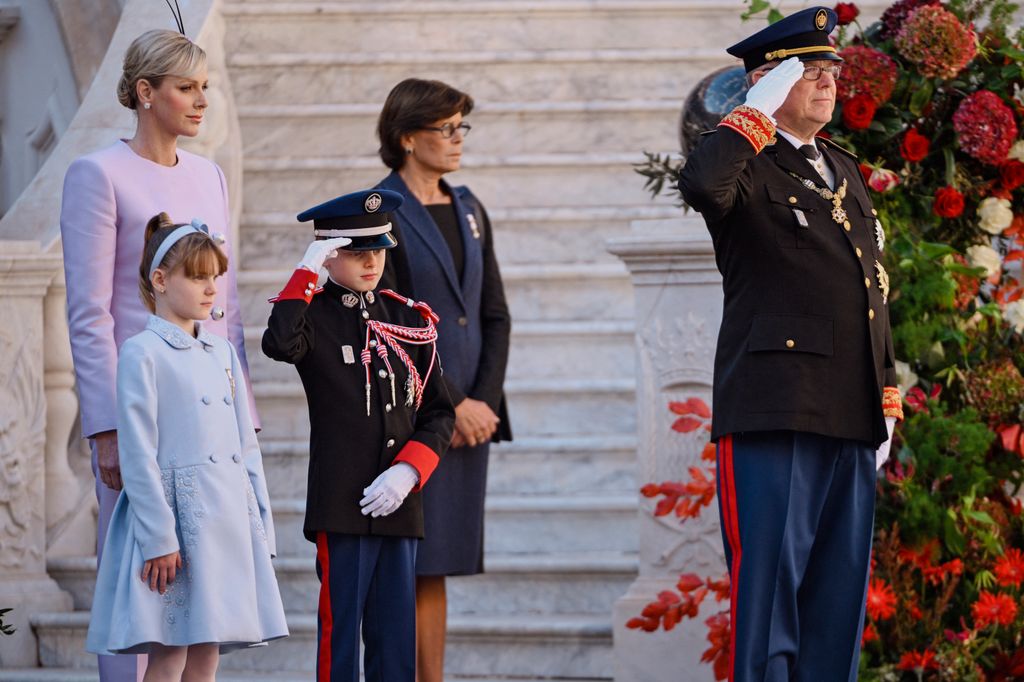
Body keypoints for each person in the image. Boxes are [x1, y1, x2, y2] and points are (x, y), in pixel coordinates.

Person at [677, 7, 903, 681]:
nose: (829, 82)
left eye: (832, 69)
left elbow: (872, 288)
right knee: (771, 599)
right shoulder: (746, 161)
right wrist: (752, 115)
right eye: (810, 71)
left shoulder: (841, 167)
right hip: (775, 408)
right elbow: (701, 185)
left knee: (836, 610)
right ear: (768, 83)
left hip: (851, 409)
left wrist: (886, 394)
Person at [59, 29, 254, 680]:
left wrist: (241, 409)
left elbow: (224, 303)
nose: (202, 101)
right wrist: (105, 427)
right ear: (146, 93)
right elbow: (89, 312)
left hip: (208, 410)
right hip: (138, 407)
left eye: (206, 87)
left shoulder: (209, 176)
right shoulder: (97, 174)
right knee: (139, 575)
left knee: (206, 588)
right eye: (185, 88)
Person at [261, 189, 455, 682]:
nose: (371, 261)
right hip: (342, 505)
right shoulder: (314, 315)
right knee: (339, 638)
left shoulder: (409, 318)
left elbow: (439, 413)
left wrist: (409, 473)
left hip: (398, 504)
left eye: (378, 249)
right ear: (329, 251)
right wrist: (307, 274)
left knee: (395, 644)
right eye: (355, 250)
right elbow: (279, 343)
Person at [85, 213, 287, 680]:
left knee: (207, 649)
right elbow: (138, 453)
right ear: (160, 279)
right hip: (176, 519)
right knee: (170, 650)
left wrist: (261, 526)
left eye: (215, 276)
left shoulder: (221, 352)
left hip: (227, 517)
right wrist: (159, 538)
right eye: (197, 277)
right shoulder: (142, 352)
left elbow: (244, 448)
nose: (211, 288)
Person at [375, 78, 512, 682]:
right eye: (446, 128)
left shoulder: (470, 207)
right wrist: (451, 406)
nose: (458, 140)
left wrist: (483, 400)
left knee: (437, 563)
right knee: (406, 562)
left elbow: (493, 313)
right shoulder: (379, 211)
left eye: (463, 127)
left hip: (470, 418)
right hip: (412, 418)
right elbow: (386, 324)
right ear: (408, 137)